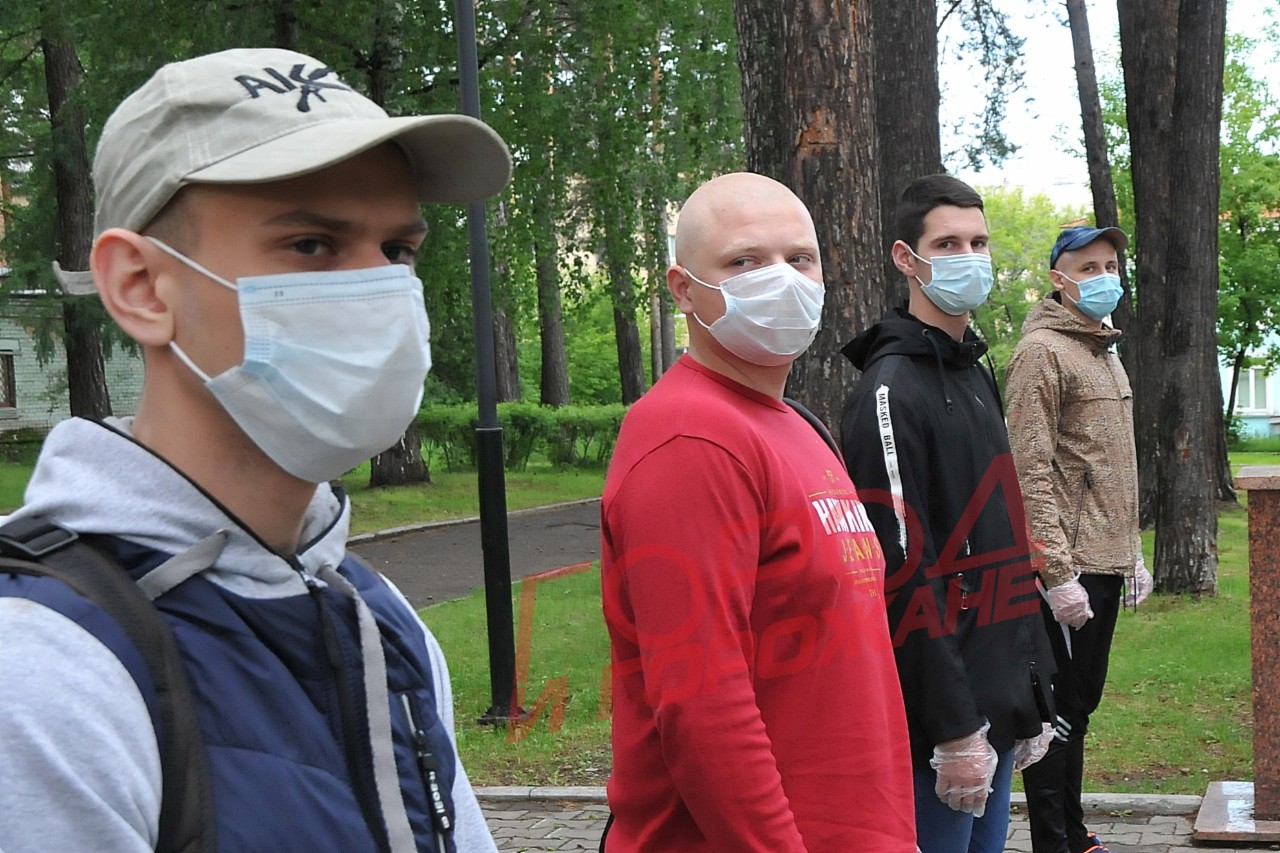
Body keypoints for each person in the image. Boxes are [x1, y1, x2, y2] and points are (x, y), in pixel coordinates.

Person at [0, 47, 511, 852]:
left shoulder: (378, 617)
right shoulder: (41, 668)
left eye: (397, 251)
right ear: (140, 285)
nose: (377, 290)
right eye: (311, 244)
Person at [599, 172, 916, 852]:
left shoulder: (792, 424)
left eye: (799, 258)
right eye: (744, 261)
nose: (781, 279)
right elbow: (703, 707)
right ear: (683, 288)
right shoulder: (690, 439)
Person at [838, 173, 1055, 853]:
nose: (970, 257)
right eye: (948, 243)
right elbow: (901, 570)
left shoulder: (974, 371)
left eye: (979, 242)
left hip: (997, 702)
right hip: (940, 723)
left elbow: (1004, 537)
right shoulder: (890, 389)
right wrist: (954, 729)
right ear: (906, 258)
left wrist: (1033, 691)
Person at [1005, 225, 1151, 853]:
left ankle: (1073, 831)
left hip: (1107, 559)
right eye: (1087, 268)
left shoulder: (1104, 350)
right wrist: (1055, 571)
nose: (1103, 278)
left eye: (1110, 265)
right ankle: (1054, 840)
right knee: (1058, 709)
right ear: (1058, 279)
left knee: (1080, 705)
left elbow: (1113, 465)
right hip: (1069, 564)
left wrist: (1133, 553)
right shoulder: (1042, 352)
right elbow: (1029, 468)